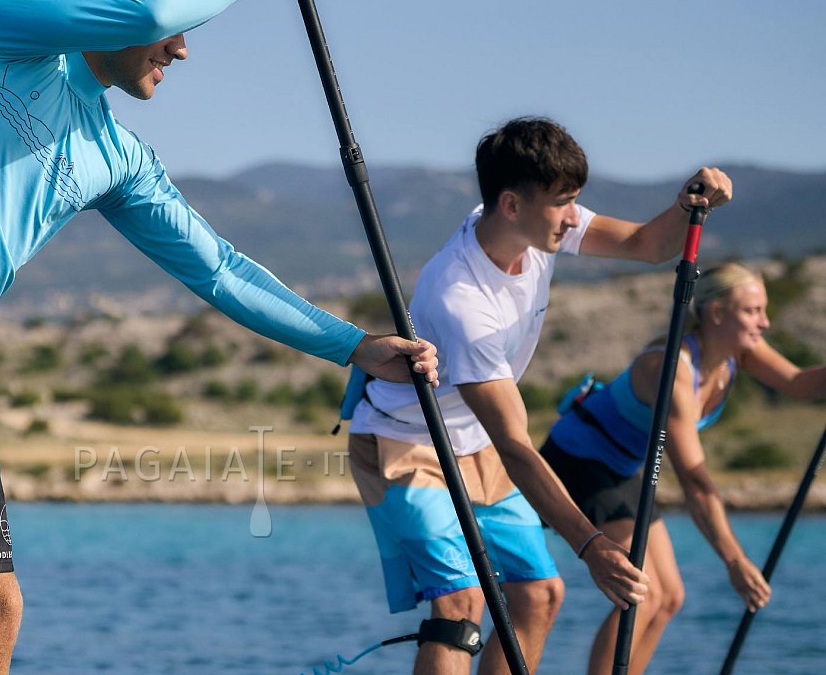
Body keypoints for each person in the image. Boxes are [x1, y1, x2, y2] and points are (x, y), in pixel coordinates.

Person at [0, 0, 440, 674]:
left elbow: (219, 271)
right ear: (105, 3)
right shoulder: (4, 26)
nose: (183, 47)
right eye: (178, 22)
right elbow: (153, 17)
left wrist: (350, 344)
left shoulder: (118, 158)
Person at [345, 117, 733, 675]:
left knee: (540, 594)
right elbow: (517, 444)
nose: (575, 216)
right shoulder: (461, 300)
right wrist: (592, 544)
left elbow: (649, 246)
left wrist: (688, 205)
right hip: (405, 446)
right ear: (510, 204)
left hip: (478, 444)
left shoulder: (536, 225)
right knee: (460, 605)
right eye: (564, 203)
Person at [539, 262, 826, 674]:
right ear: (717, 312)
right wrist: (734, 560)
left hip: (624, 468)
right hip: (578, 460)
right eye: (752, 311)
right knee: (642, 593)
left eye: (763, 310)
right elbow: (695, 481)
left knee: (670, 596)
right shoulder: (672, 372)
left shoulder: (736, 351)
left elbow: (800, 383)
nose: (764, 322)